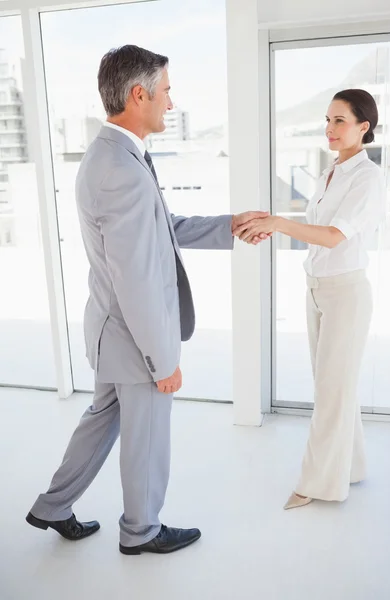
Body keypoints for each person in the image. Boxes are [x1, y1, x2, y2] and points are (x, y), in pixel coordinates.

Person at [26, 44, 267, 553]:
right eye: (167, 91)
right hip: (136, 337)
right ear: (140, 94)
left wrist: (231, 226)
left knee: (101, 422)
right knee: (147, 437)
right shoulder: (120, 168)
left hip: (113, 329)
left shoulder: (116, 155)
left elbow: (164, 228)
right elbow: (135, 276)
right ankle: (141, 532)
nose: (171, 104)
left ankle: (51, 506)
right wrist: (162, 362)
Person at [234, 89, 386, 509]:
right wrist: (272, 223)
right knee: (334, 387)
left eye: (340, 120)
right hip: (316, 289)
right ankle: (350, 467)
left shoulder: (367, 177)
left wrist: (279, 223)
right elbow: (318, 226)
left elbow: (336, 237)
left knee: (332, 390)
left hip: (346, 294)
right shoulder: (330, 172)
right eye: (328, 119)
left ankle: (317, 484)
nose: (330, 128)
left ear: (363, 126)